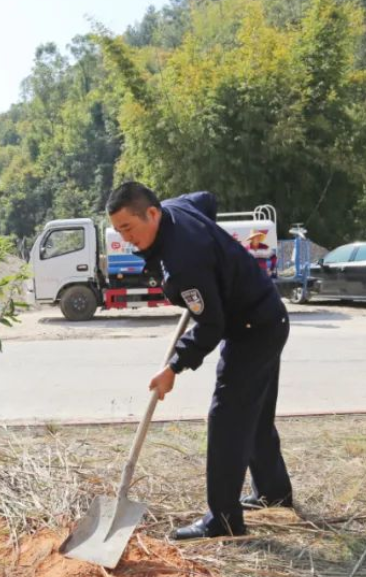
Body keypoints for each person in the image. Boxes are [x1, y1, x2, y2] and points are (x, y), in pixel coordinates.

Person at [107, 182, 293, 540]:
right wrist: (213, 246)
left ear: (152, 213)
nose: (126, 239)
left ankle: (222, 519)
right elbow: (208, 199)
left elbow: (211, 325)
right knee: (252, 413)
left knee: (226, 418)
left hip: (252, 329)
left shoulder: (183, 263)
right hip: (268, 315)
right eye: (118, 232)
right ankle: (274, 491)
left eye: (129, 228)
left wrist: (174, 367)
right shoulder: (179, 208)